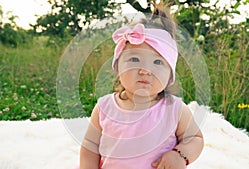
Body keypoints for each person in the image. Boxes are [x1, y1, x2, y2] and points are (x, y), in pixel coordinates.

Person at [79, 4, 204, 169]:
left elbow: (195, 139)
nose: (145, 70)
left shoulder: (175, 109)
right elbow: (90, 145)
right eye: (135, 60)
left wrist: (180, 155)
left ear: (170, 75)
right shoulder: (105, 107)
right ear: (117, 67)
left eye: (158, 62)